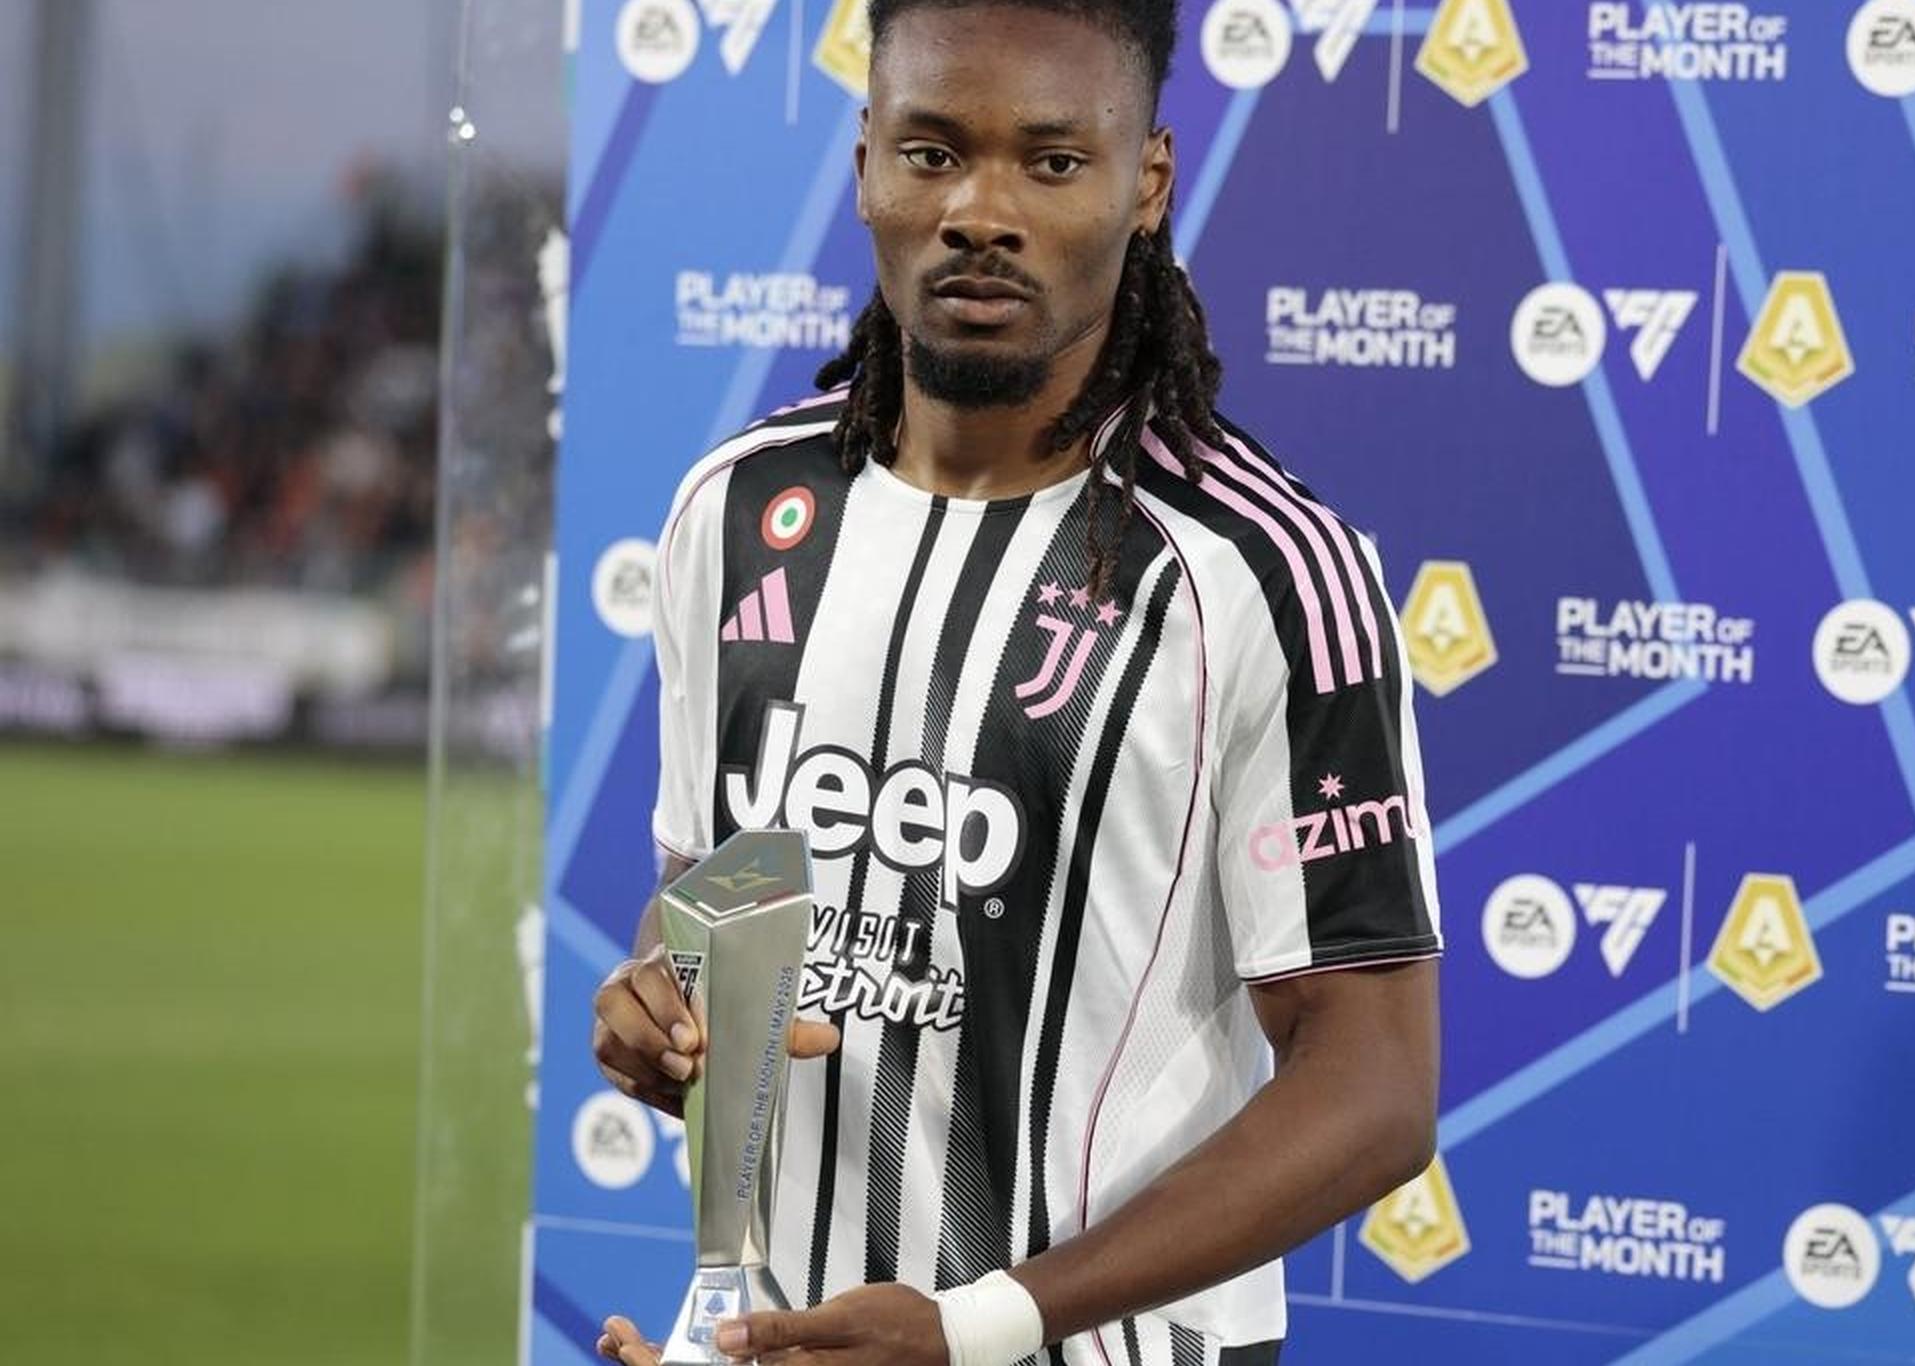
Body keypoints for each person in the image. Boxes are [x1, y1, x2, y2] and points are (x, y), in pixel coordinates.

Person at [589, 1, 1444, 1361]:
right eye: (932, 153)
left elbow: (1376, 1084)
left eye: (1051, 162)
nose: (980, 212)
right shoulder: (739, 511)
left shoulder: (1259, 571)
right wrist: (664, 1000)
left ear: (1146, 183)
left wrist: (981, 1326)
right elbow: (712, 895)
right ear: (866, 163)